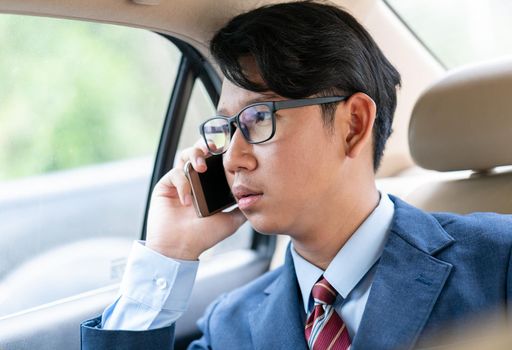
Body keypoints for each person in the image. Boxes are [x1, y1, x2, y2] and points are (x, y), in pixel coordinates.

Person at [81, 1, 512, 349]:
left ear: (354, 125)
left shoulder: (498, 263)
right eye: (226, 129)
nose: (232, 159)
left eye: (257, 118)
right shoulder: (229, 326)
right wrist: (167, 254)